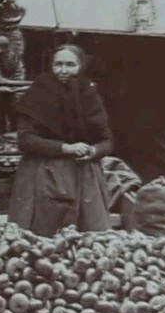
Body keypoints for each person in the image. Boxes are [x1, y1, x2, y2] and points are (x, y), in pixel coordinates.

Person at [7, 43, 114, 237]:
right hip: (42, 175)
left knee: (89, 241)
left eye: (70, 65)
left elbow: (106, 141)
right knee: (39, 239)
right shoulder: (37, 95)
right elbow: (25, 140)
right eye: (58, 64)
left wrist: (93, 151)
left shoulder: (89, 96)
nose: (63, 71)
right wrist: (66, 148)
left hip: (84, 178)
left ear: (81, 66)